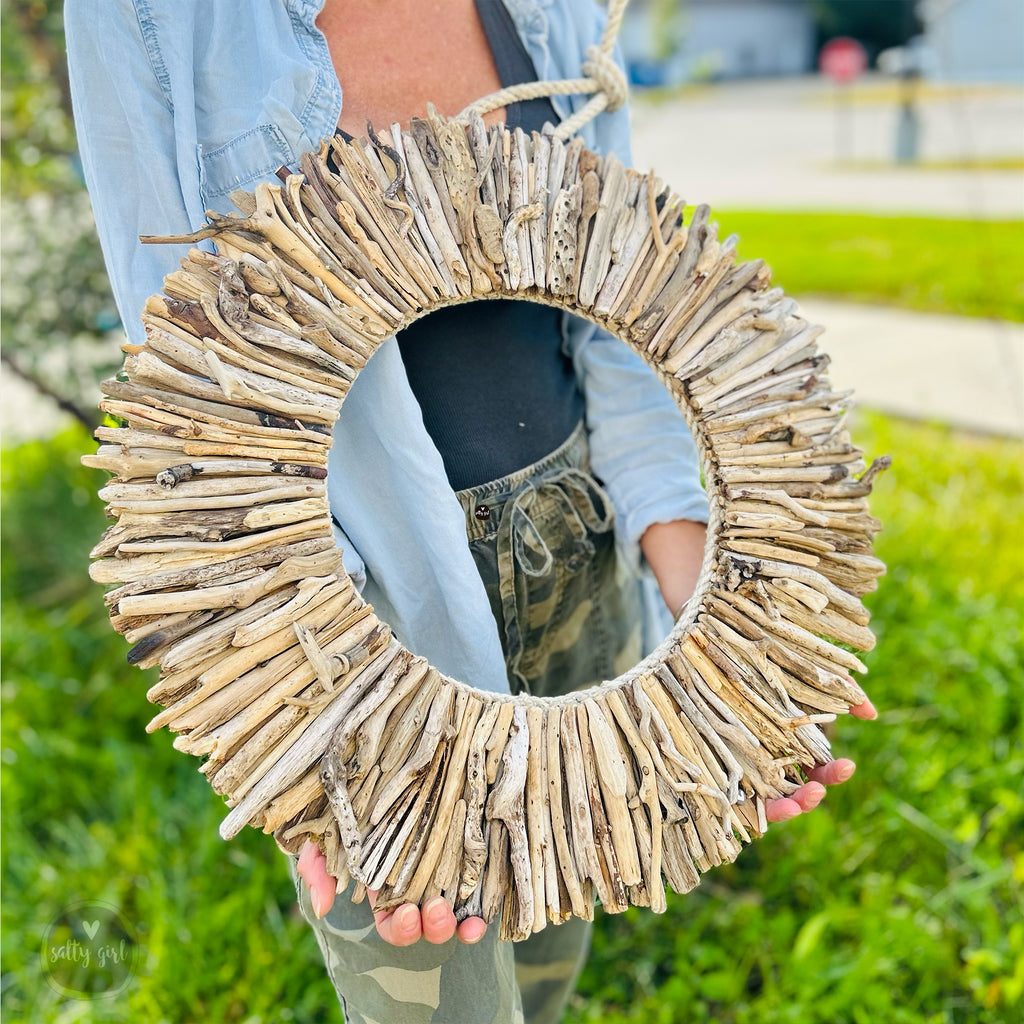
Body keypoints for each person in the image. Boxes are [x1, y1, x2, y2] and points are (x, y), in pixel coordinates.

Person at [65, 2, 876, 1021]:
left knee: (544, 963)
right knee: (442, 1006)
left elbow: (621, 284)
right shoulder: (146, 17)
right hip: (360, 623)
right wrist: (311, 742)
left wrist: (724, 624)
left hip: (577, 554)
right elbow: (189, 393)